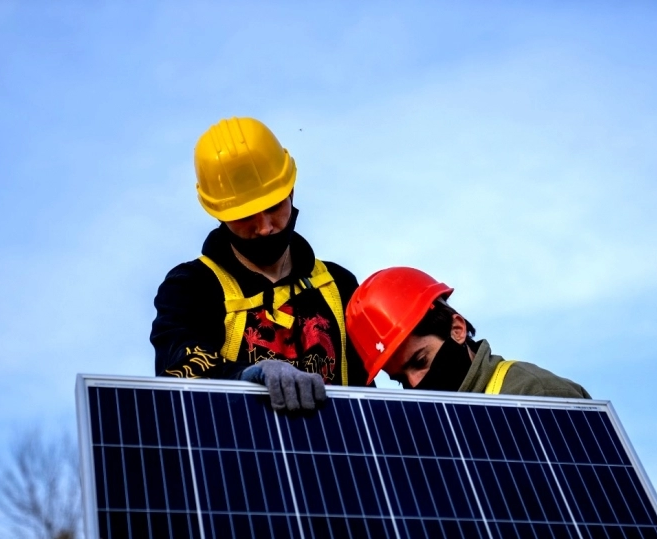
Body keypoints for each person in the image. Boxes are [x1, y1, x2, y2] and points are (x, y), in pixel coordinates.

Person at [151, 116, 369, 410]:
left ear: (291, 191)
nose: (265, 227)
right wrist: (245, 377)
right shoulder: (190, 288)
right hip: (237, 452)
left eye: (274, 206)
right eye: (245, 215)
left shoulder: (340, 285)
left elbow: (372, 397)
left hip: (340, 452)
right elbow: (178, 372)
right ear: (220, 214)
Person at [345, 267, 591, 397]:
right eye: (401, 380)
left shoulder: (537, 395)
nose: (415, 383)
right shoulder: (429, 432)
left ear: (457, 330)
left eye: (421, 361)